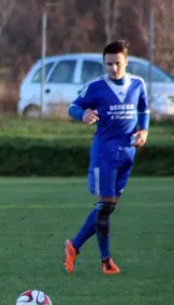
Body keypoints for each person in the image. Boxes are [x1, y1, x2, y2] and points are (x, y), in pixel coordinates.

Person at [64, 39, 149, 275]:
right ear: (104, 63)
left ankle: (74, 246)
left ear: (126, 62)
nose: (113, 68)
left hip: (128, 154)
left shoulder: (138, 84)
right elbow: (72, 107)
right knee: (104, 206)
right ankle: (104, 259)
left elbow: (144, 110)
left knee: (108, 208)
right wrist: (82, 115)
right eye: (109, 64)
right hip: (104, 154)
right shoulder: (95, 87)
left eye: (117, 63)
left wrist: (144, 131)